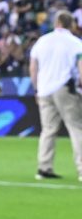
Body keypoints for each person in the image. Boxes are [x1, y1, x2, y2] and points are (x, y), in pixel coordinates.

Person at [29, 11, 82, 180]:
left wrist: (36, 89)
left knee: (48, 130)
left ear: (57, 22)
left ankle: (44, 168)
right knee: (76, 127)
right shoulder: (75, 43)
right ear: (71, 24)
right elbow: (81, 66)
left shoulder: (42, 41)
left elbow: (33, 66)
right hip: (64, 88)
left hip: (44, 89)